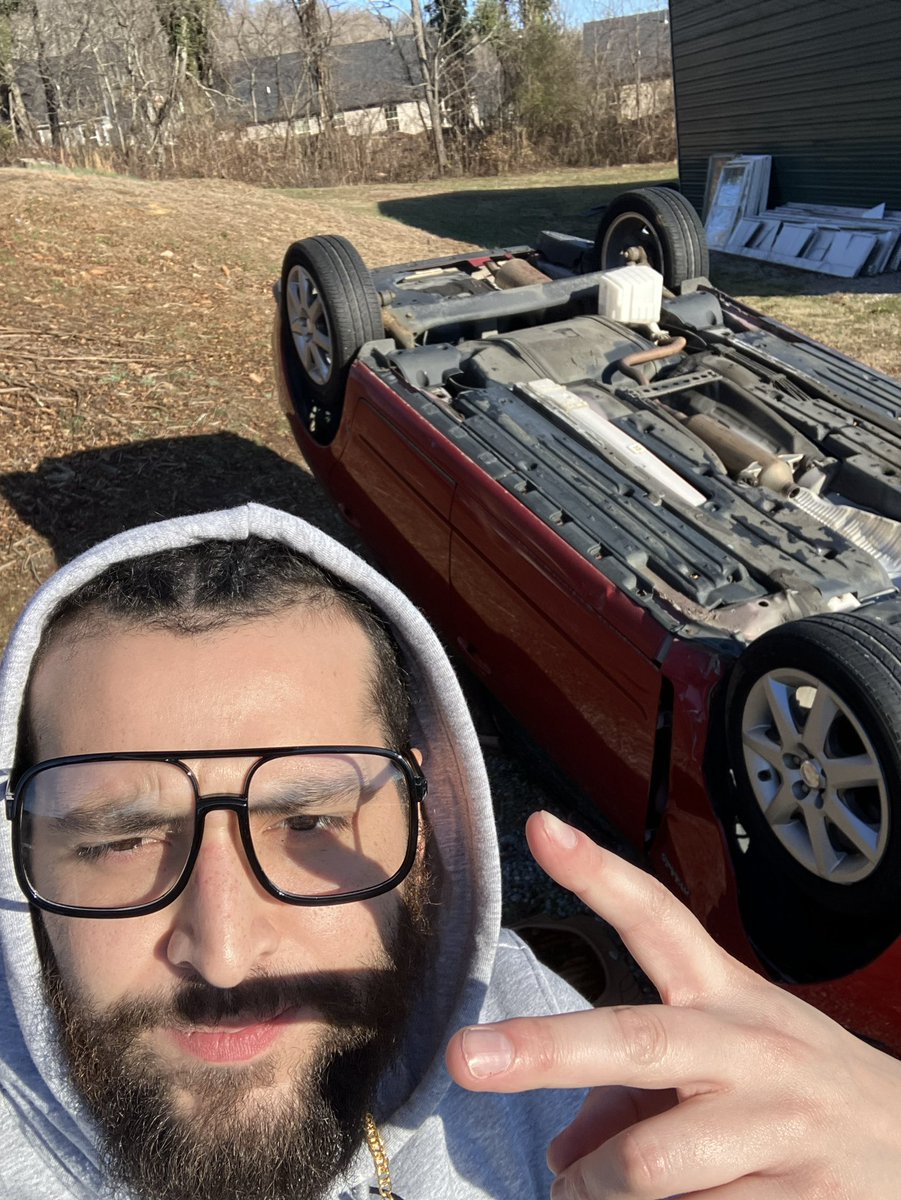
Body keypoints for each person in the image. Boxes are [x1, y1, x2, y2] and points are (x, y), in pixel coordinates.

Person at [0, 504, 899, 1200]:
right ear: (24, 849)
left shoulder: (539, 1058)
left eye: (309, 824)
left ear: (424, 826)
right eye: (120, 839)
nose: (225, 954)